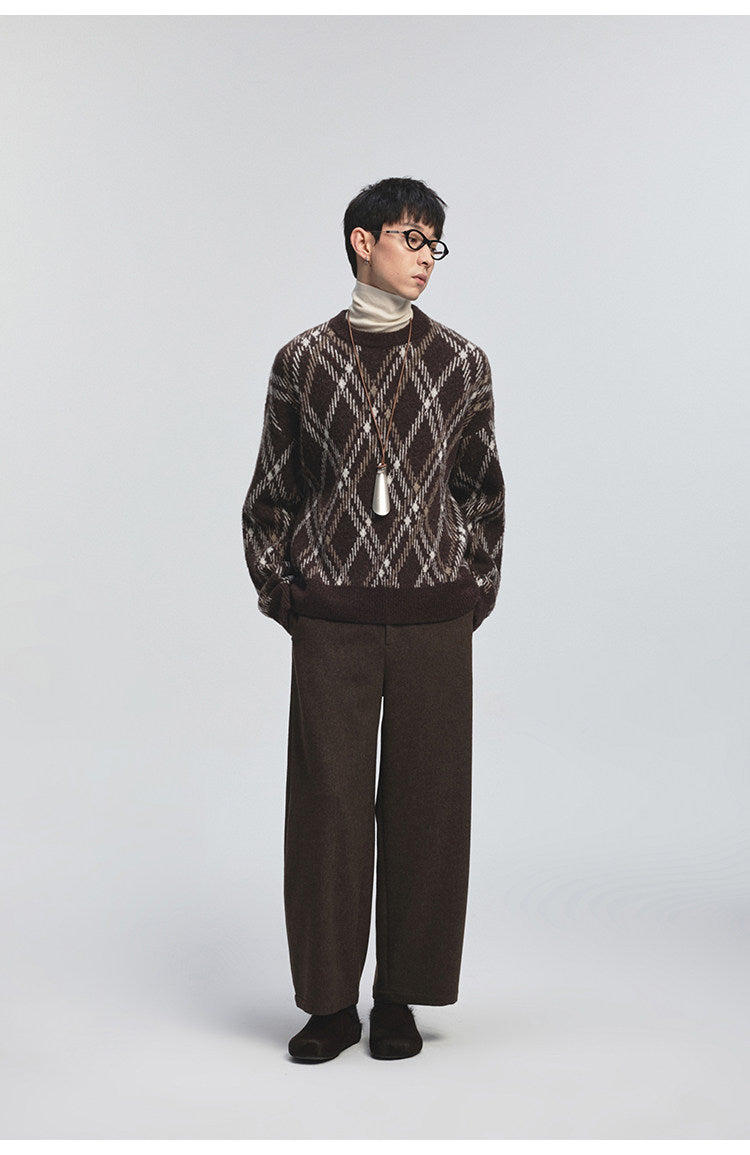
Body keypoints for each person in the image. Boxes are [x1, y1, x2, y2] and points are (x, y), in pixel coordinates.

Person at [242, 177, 506, 1062]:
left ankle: (399, 995)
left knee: (431, 808)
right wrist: (287, 593)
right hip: (334, 618)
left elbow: (483, 492)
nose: (427, 258)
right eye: (411, 238)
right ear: (364, 240)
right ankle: (328, 1002)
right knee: (328, 810)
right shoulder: (303, 361)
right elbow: (271, 493)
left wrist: (471, 589)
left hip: (435, 621)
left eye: (435, 245)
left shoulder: (462, 362)